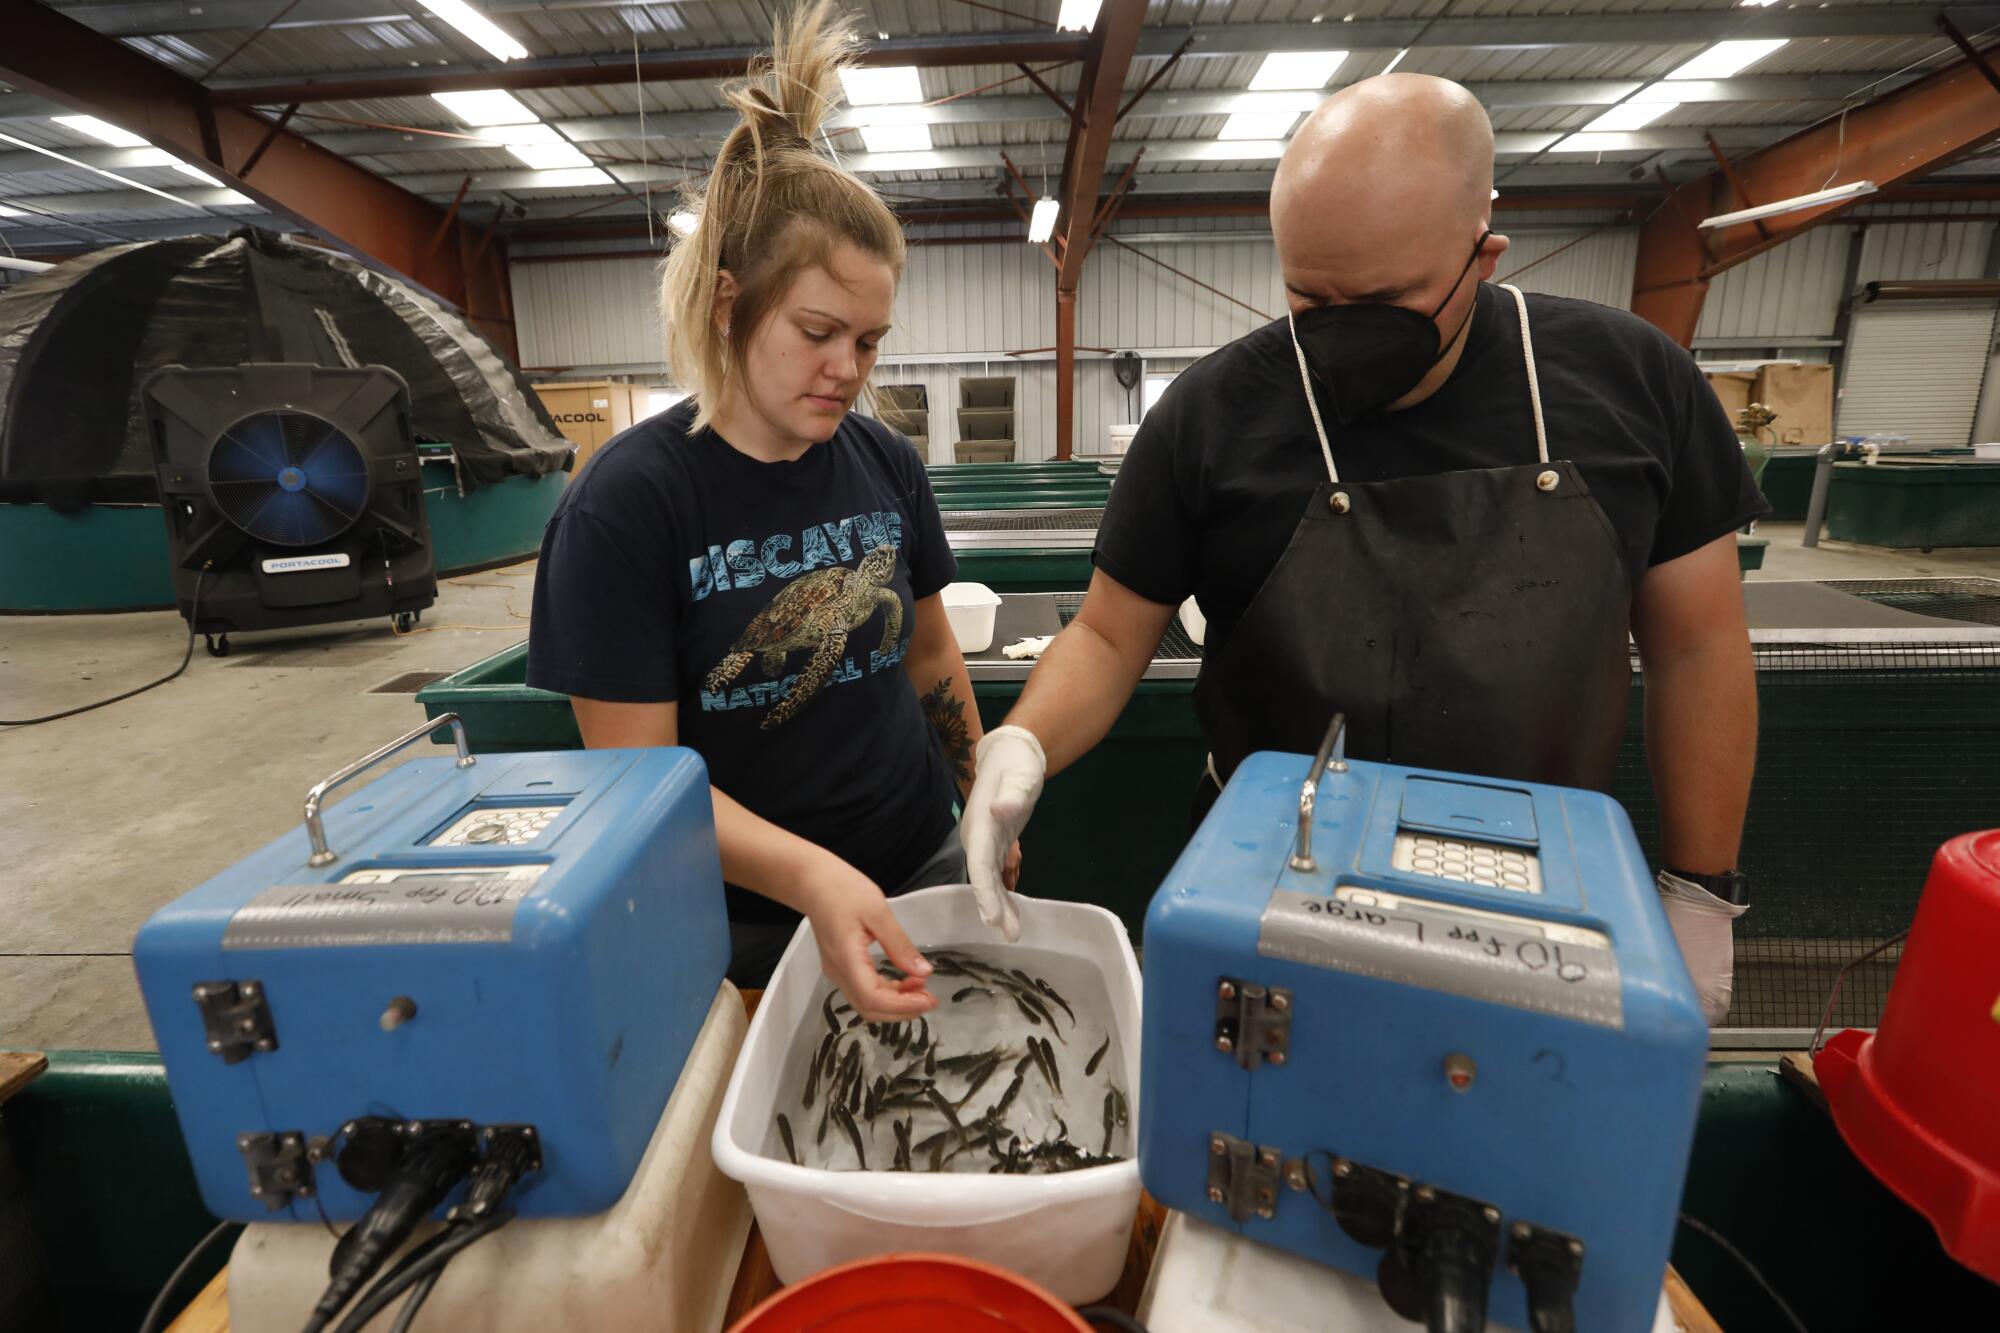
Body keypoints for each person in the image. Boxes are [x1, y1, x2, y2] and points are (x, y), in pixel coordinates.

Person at [961, 75, 1765, 1025]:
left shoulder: (1634, 384)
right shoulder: (1212, 419)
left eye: (1384, 303)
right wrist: (1024, 743)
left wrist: (1698, 891)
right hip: (1270, 899)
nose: (1339, 340)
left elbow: (1697, 648)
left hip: (1533, 906)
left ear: (1484, 254)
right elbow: (1104, 637)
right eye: (1310, 296)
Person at [527, 0, 1015, 1022]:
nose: (848, 369)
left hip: (915, 855)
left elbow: (928, 655)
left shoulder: (882, 460)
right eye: (817, 330)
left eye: (870, 340)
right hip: (738, 920)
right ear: (725, 302)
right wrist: (809, 878)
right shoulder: (626, 506)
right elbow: (640, 786)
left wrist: (978, 798)